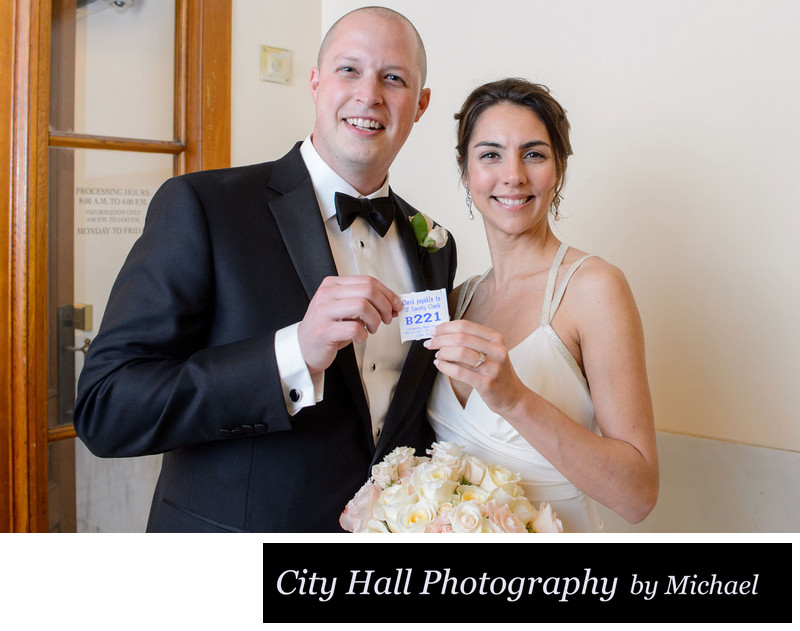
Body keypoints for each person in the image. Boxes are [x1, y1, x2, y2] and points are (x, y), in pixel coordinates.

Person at [73, 6, 456, 533]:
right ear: (316, 82)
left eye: (394, 78)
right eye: (349, 69)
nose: (369, 94)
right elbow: (107, 408)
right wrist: (293, 353)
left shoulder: (434, 243)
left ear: (421, 105)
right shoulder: (203, 208)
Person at [424, 78, 657, 532]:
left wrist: (514, 400)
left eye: (534, 154)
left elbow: (639, 496)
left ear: (559, 169)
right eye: (490, 154)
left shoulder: (594, 288)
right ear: (465, 170)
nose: (513, 175)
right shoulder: (457, 299)